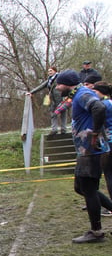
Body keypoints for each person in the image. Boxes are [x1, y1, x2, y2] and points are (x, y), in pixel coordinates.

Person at [55, 69, 112, 243]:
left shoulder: (82, 94)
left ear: (68, 84)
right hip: (84, 150)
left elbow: (99, 107)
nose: (57, 88)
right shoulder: (77, 94)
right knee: (81, 187)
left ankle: (96, 232)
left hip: (91, 150)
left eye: (59, 84)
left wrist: (95, 133)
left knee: (88, 189)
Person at [28, 66, 66, 135]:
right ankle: (54, 129)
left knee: (62, 113)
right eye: (48, 71)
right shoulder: (49, 80)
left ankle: (63, 129)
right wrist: (31, 92)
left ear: (55, 71)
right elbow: (41, 86)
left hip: (61, 98)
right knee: (53, 114)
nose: (49, 72)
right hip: (53, 99)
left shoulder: (60, 78)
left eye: (51, 71)